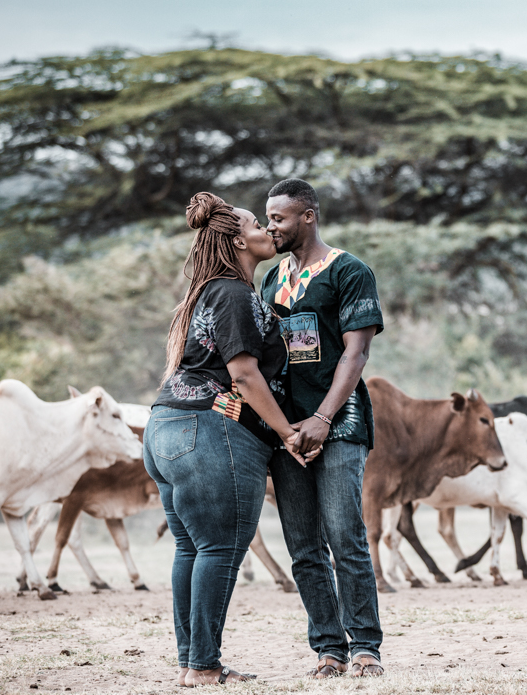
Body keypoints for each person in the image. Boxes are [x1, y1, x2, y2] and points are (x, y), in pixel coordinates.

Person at [144, 192, 314, 687]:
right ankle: (203, 666)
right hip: (208, 431)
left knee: (192, 549)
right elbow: (242, 373)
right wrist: (286, 433)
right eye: (255, 223)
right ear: (238, 239)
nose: (266, 228)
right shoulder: (234, 293)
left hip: (166, 429)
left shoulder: (207, 293)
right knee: (218, 548)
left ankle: (192, 661)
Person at [261, 178, 386, 679]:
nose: (271, 226)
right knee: (303, 546)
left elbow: (356, 355)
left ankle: (365, 648)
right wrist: (287, 428)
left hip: (338, 423)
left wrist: (321, 419)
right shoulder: (271, 280)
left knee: (344, 534)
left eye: (279, 218)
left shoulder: (350, 271)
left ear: (308, 216)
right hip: (287, 432)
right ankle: (329, 650)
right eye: (268, 218)